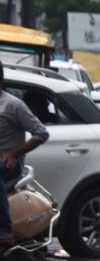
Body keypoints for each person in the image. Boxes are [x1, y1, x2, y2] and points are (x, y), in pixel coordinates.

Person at [0, 60, 50, 248]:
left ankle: (4, 231)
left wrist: (14, 154)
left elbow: (41, 133)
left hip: (9, 164)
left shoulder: (13, 105)